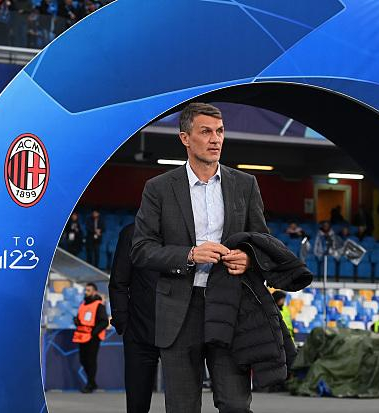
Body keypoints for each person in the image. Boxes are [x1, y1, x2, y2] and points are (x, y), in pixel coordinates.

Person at [131, 102, 270, 413]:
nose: (215, 139)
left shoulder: (246, 184)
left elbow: (262, 243)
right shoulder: (158, 188)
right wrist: (190, 254)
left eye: (219, 131)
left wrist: (248, 259)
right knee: (182, 407)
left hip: (230, 306)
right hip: (180, 312)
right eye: (206, 132)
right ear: (185, 138)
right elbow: (141, 249)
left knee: (236, 405)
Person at [109, 223, 160, 413]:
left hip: (179, 330)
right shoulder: (132, 232)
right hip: (139, 329)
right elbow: (118, 281)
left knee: (183, 404)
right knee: (137, 403)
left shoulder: (186, 230)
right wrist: (123, 321)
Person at [72, 282, 109, 393]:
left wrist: (93, 333)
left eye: (88, 290)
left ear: (94, 292)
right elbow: (81, 319)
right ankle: (92, 383)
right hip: (82, 336)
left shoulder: (99, 305)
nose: (86, 292)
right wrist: (77, 321)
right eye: (85, 290)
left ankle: (90, 384)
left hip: (93, 337)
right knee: (83, 360)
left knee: (91, 361)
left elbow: (104, 322)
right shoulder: (83, 304)